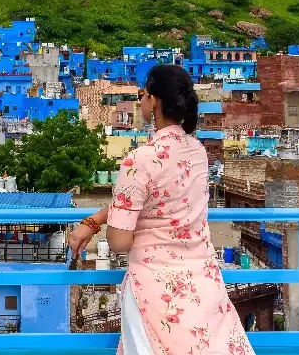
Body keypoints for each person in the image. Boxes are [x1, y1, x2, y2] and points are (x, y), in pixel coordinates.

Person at [69, 64, 255, 355]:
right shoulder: (198, 152)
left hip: (155, 293)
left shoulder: (138, 160)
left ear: (153, 102)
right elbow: (159, 199)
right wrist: (95, 219)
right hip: (202, 287)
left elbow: (119, 242)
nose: (141, 100)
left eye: (142, 95)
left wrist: (97, 226)